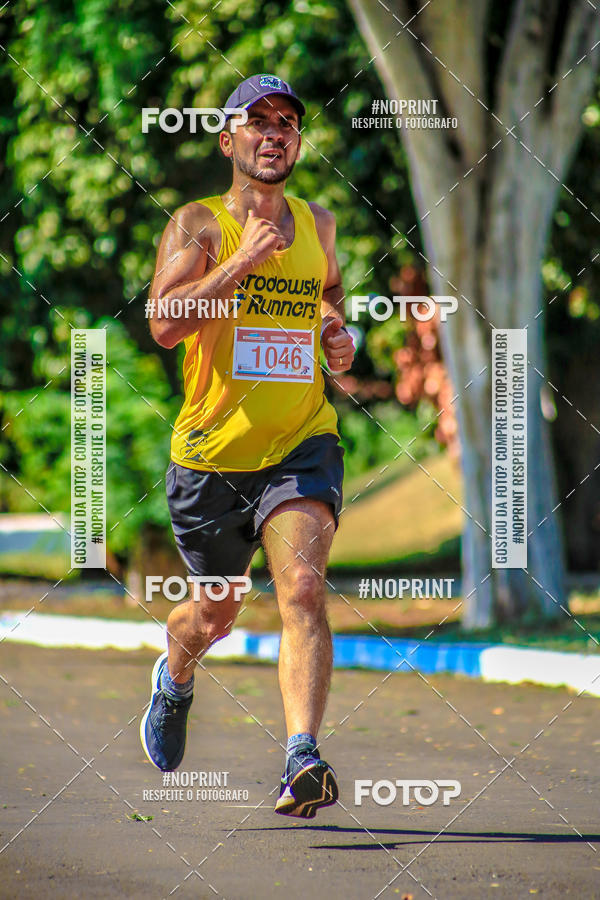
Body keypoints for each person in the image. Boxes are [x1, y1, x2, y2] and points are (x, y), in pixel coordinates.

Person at [140, 73, 355, 819]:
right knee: (215, 613)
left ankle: (303, 757)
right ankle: (176, 675)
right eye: (256, 120)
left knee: (300, 589)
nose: (274, 132)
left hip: (301, 442)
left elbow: (326, 292)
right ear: (227, 138)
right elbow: (163, 322)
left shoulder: (319, 222)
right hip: (210, 456)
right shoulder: (198, 224)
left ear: (297, 140)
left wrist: (335, 330)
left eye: (287, 121)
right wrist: (239, 263)